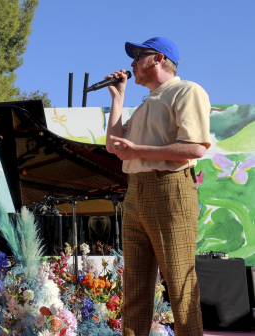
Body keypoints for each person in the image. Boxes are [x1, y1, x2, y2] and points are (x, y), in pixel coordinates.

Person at [105, 37, 210, 336]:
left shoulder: (186, 90)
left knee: (179, 285)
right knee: (135, 288)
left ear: (157, 59)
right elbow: (114, 146)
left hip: (169, 188)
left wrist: (138, 150)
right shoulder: (144, 105)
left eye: (137, 57)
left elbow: (195, 148)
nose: (132, 64)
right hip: (136, 189)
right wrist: (117, 98)